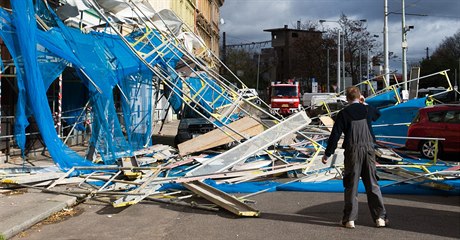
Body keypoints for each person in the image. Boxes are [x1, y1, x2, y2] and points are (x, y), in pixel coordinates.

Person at [322, 86, 387, 229]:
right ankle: (380, 218)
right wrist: (365, 103)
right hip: (369, 149)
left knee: (351, 185)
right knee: (372, 184)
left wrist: (328, 153)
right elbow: (378, 114)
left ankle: (349, 219)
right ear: (360, 97)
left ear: (347, 99)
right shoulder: (367, 109)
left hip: (352, 151)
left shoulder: (343, 114)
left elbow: (335, 135)